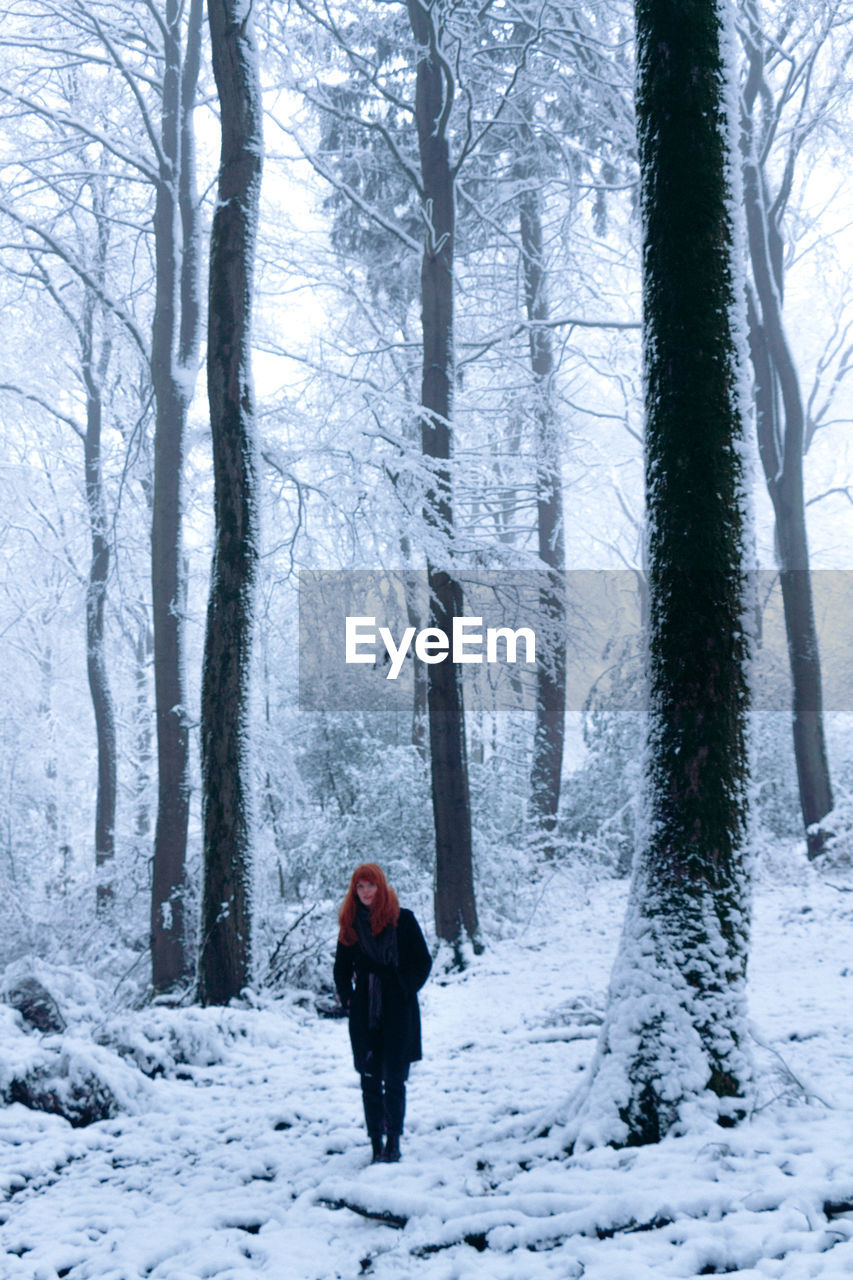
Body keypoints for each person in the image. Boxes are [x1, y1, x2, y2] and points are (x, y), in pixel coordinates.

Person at [334, 863, 431, 1163]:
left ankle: (394, 1141)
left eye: (371, 885)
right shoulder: (350, 924)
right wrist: (349, 998)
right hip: (365, 1011)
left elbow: (422, 962)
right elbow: (340, 969)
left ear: (381, 887)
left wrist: (404, 987)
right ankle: (375, 1141)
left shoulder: (403, 919)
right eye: (360, 887)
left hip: (399, 1010)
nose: (366, 892)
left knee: (395, 1077)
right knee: (370, 1076)